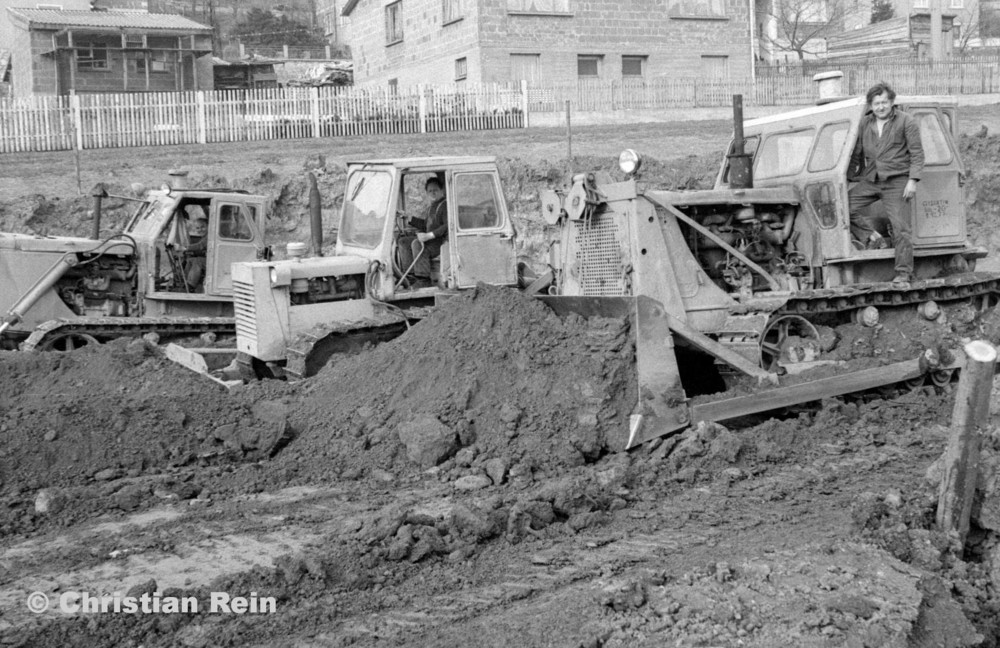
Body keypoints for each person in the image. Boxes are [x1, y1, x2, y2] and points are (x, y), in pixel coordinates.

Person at [848, 81, 924, 285]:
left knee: (901, 228)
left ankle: (903, 274)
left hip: (898, 181)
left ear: (891, 102)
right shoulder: (865, 123)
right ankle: (873, 237)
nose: (880, 107)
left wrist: (912, 181)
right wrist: (847, 176)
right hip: (872, 179)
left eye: (884, 102)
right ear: (870, 106)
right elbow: (856, 151)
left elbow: (917, 153)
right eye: (876, 103)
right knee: (842, 207)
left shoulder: (906, 121)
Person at [399, 177, 448, 289]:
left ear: (442, 190)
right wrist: (409, 218)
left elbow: (447, 226)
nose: (433, 193)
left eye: (435, 190)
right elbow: (426, 225)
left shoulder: (444, 205)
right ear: (426, 193)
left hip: (440, 242)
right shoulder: (432, 207)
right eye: (430, 191)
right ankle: (411, 276)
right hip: (431, 240)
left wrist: (429, 235)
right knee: (403, 242)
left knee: (417, 243)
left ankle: (423, 279)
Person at [182, 206, 208, 291]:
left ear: (208, 226)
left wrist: (186, 248)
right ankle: (185, 282)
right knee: (190, 260)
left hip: (215, 262)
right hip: (209, 259)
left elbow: (200, 246)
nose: (200, 229)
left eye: (203, 227)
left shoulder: (209, 236)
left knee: (198, 261)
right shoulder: (204, 236)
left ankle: (191, 286)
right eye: (198, 228)